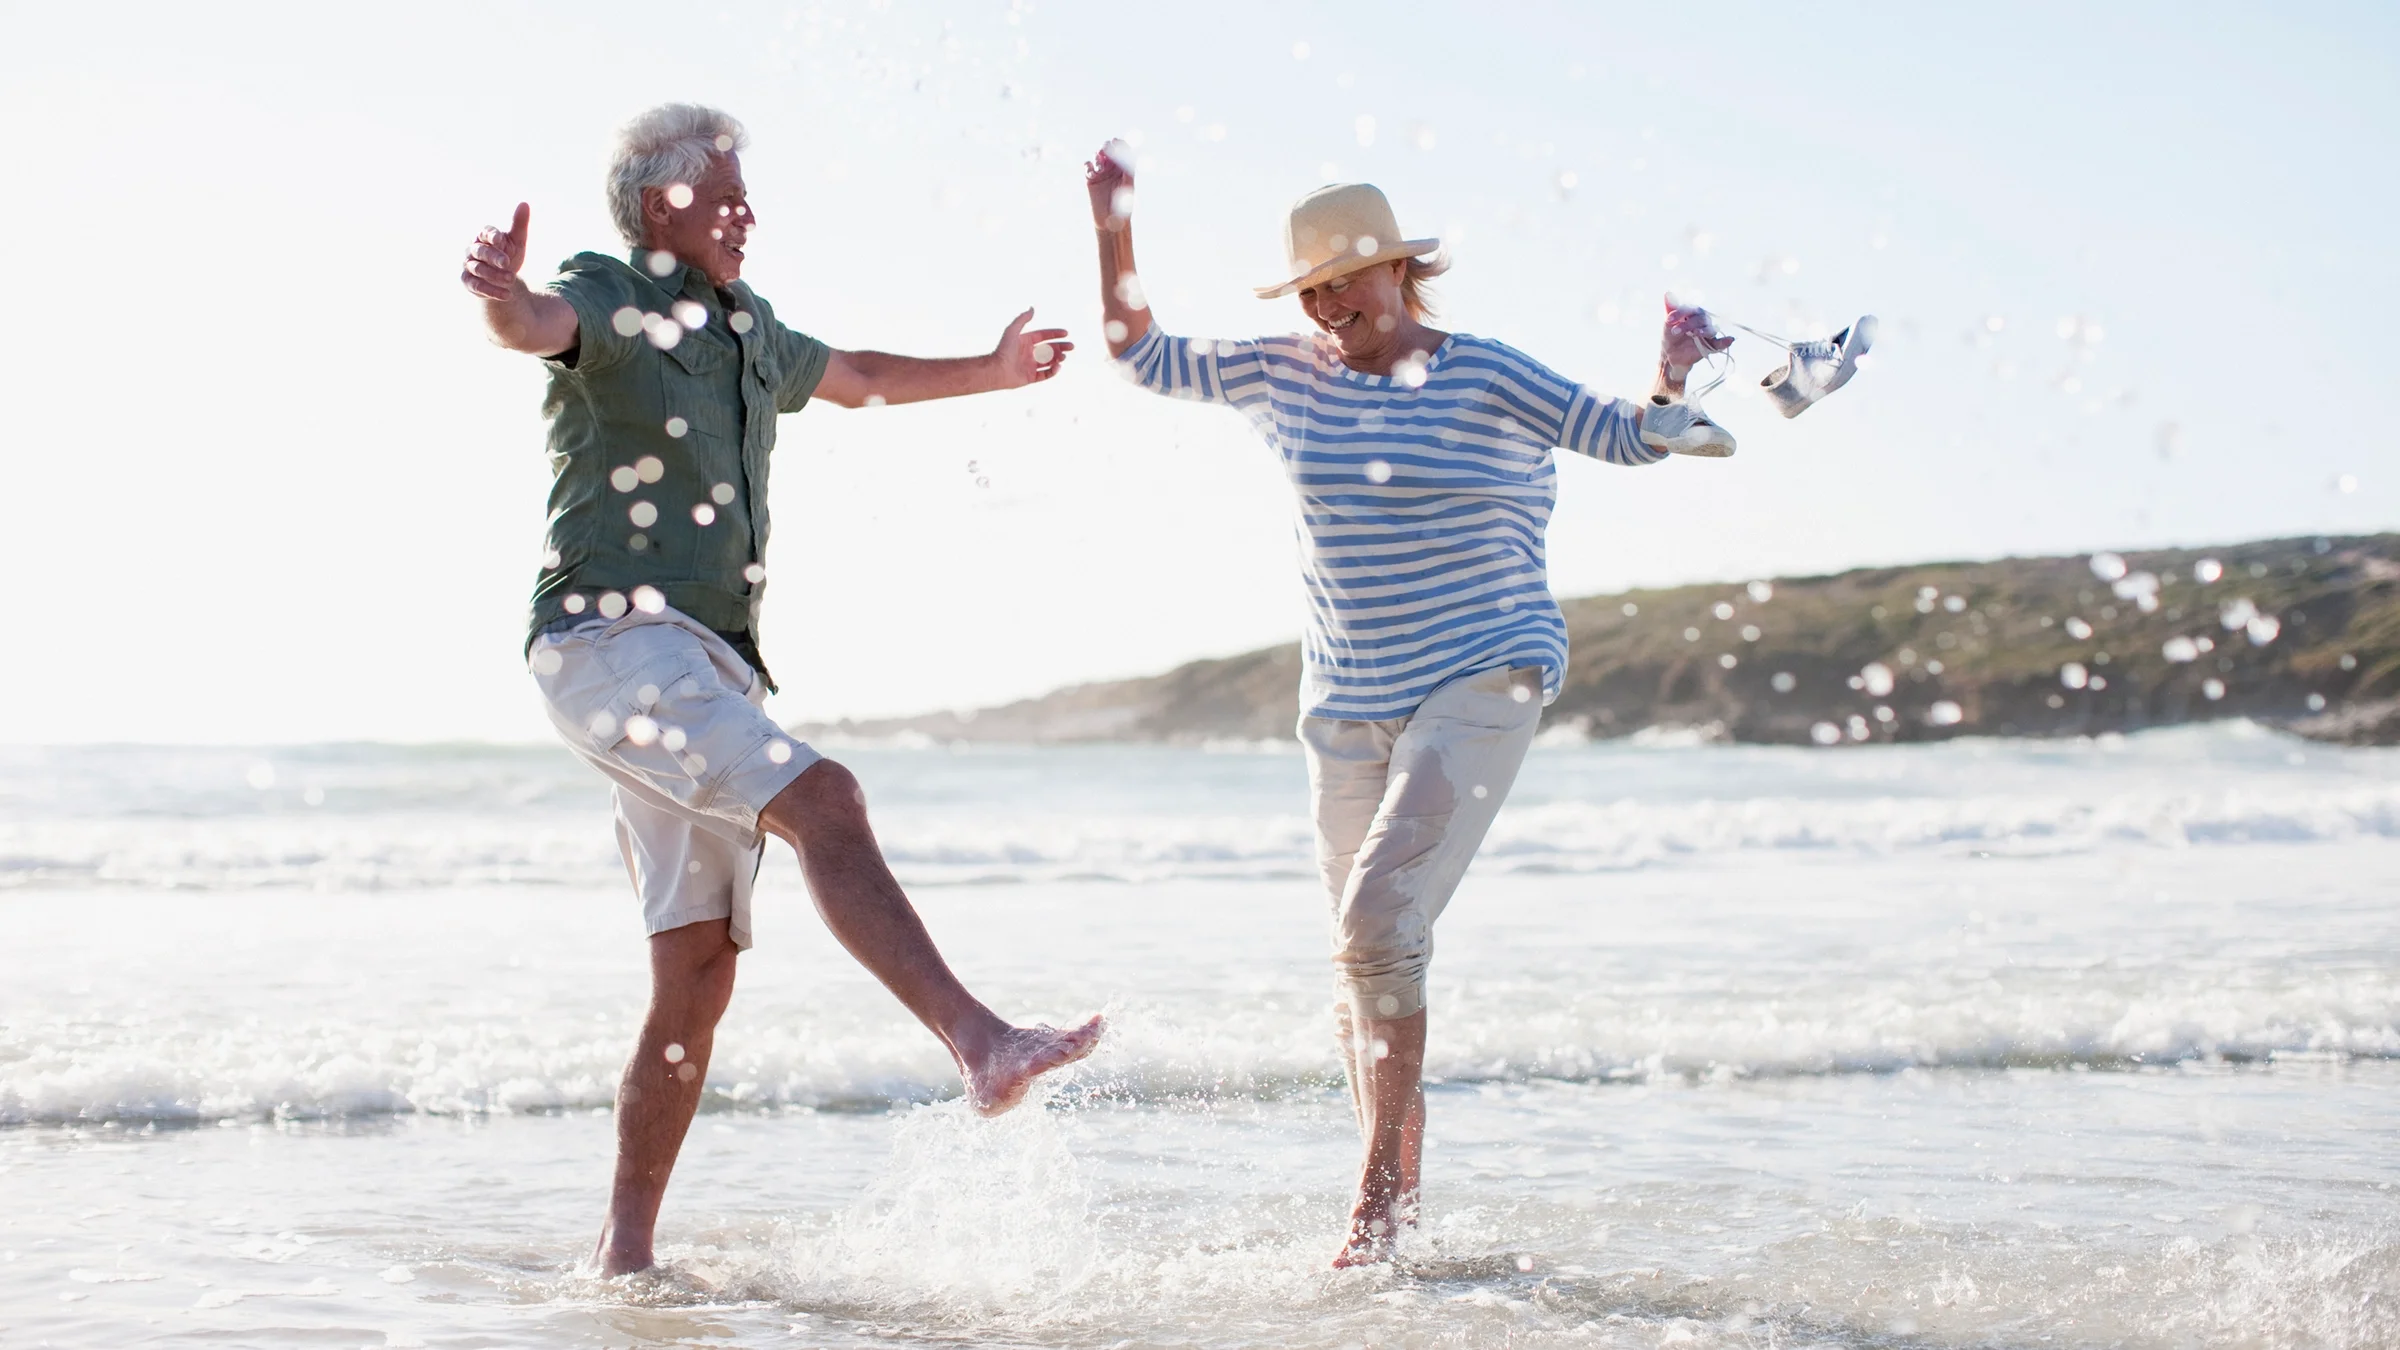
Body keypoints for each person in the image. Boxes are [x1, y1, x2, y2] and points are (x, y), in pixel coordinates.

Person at [458, 103, 1103, 1278]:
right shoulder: (604, 294)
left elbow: (854, 374)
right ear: (662, 205)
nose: (746, 210)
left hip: (705, 663)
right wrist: (500, 297)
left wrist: (995, 371)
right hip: (608, 642)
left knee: (697, 972)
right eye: (725, 192)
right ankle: (980, 1041)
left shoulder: (748, 328)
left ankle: (625, 1254)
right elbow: (534, 325)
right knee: (827, 799)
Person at [1082, 148, 1751, 1266]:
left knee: (1378, 924)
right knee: (1365, 956)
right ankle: (1397, 1201)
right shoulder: (1281, 372)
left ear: (1401, 272)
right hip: (1345, 703)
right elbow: (1138, 353)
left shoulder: (1485, 371)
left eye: (1353, 279)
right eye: (1315, 289)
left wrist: (1672, 377)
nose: (1334, 304)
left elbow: (1626, 433)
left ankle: (1375, 1208)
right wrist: (1112, 225)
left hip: (1485, 672)